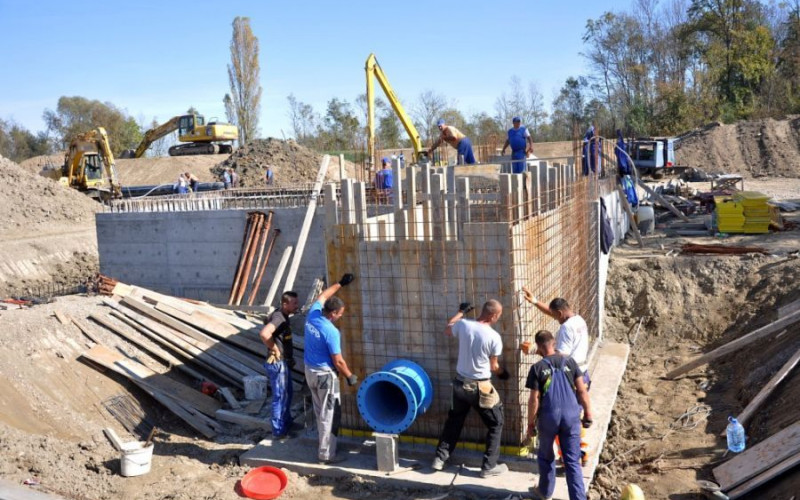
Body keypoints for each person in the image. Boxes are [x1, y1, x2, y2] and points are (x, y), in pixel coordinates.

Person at [432, 300, 510, 478]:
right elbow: (494, 366)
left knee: (454, 420)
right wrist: (503, 374)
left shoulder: (464, 325)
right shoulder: (494, 337)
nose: (498, 318)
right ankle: (489, 467)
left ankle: (439, 459)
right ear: (493, 315)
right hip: (479, 387)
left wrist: (461, 311)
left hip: (459, 384)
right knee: (496, 423)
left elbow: (448, 327)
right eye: (498, 315)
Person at [525, 330, 592, 500]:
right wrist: (588, 415)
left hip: (548, 418)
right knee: (572, 461)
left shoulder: (537, 368)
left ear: (539, 347)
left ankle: (545, 492)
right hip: (571, 416)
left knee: (546, 456)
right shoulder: (570, 361)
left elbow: (534, 399)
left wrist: (531, 424)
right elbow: (582, 391)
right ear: (554, 343)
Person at [304, 273, 358, 464]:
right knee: (330, 414)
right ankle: (326, 455)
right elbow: (338, 361)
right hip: (325, 377)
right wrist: (350, 376)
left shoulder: (313, 314)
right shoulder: (331, 332)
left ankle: (324, 446)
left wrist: (340, 284)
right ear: (333, 313)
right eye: (340, 313)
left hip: (310, 372)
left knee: (320, 413)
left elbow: (323, 296)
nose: (341, 316)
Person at [522, 289, 590, 379]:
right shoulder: (578, 319)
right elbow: (553, 312)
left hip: (572, 376)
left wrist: (535, 350)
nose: (555, 319)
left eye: (555, 316)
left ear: (559, 313)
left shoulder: (566, 327)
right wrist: (535, 301)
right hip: (582, 371)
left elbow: (560, 356)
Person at [259, 291, 300, 438]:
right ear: (285, 304)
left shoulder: (283, 315)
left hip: (284, 362)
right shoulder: (278, 317)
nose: (297, 305)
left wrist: (289, 357)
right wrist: (274, 348)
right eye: (294, 303)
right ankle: (278, 431)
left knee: (287, 394)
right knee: (280, 396)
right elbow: (264, 334)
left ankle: (287, 423)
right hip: (277, 364)